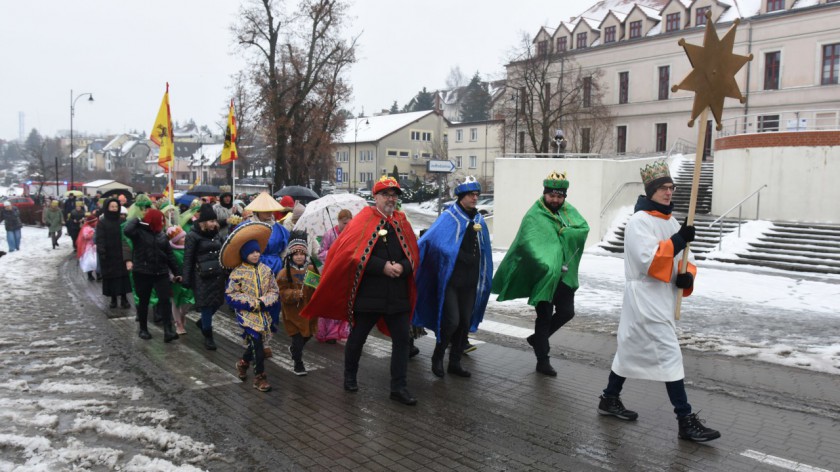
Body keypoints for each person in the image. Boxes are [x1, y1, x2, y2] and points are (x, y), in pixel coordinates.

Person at [597, 160, 720, 442]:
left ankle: (609, 398)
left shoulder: (671, 221)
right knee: (669, 354)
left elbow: (682, 261)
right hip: (644, 296)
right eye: (663, 188)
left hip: (660, 296)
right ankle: (685, 419)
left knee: (629, 349)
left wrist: (685, 276)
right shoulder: (639, 221)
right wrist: (678, 240)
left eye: (671, 187)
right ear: (651, 191)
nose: (668, 192)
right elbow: (647, 260)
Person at [301, 176, 420, 406]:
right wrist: (382, 266)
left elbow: (413, 254)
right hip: (369, 294)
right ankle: (350, 376)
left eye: (394, 195)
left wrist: (402, 267)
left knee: (403, 341)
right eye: (386, 194)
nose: (390, 199)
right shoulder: (364, 220)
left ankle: (399, 387)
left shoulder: (402, 221)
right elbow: (350, 255)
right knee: (358, 337)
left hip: (397, 293)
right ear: (375, 197)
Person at [492, 171, 589, 377]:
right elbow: (528, 242)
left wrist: (566, 233)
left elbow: (583, 228)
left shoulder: (569, 211)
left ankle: (537, 339)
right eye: (551, 195)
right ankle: (543, 360)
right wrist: (545, 262)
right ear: (545, 194)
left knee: (567, 312)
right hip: (543, 275)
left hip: (563, 276)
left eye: (559, 196)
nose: (555, 200)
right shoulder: (534, 214)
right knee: (544, 317)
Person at [413, 176, 493, 378]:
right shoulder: (449, 216)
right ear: (461, 196)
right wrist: (458, 254)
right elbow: (433, 242)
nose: (475, 198)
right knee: (452, 322)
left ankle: (454, 362)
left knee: (465, 323)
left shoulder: (479, 219)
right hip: (451, 281)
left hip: (470, 281)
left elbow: (485, 249)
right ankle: (437, 357)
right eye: (471, 195)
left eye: (476, 194)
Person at [222, 221, 279, 392]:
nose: (255, 255)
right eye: (251, 252)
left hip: (264, 313)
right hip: (246, 315)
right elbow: (231, 294)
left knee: (256, 344)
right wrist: (251, 302)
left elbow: (274, 291)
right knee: (257, 344)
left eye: (257, 251)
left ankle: (243, 363)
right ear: (244, 254)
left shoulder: (266, 270)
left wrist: (264, 301)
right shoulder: (237, 273)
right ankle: (259, 378)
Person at [123, 208, 182, 342]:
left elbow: (169, 255)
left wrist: (177, 272)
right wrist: (137, 219)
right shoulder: (138, 232)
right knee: (144, 301)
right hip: (142, 272)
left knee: (165, 301)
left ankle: (168, 331)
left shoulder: (161, 235)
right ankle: (143, 329)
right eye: (160, 219)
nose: (162, 222)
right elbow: (127, 230)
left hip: (160, 272)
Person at [245, 192, 290, 357]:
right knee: (256, 305)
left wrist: (284, 263)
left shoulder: (280, 228)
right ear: (257, 211)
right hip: (254, 269)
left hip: (275, 270)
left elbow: (285, 250)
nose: (269, 213)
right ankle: (255, 338)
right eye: (265, 210)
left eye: (271, 210)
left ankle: (266, 340)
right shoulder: (247, 227)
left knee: (273, 306)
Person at [182, 204, 227, 350]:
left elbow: (223, 253)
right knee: (207, 306)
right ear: (203, 222)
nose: (214, 223)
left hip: (218, 275)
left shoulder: (217, 235)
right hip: (202, 276)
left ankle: (202, 322)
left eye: (215, 221)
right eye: (211, 221)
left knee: (218, 302)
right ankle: (208, 335)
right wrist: (186, 279)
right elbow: (188, 258)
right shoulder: (192, 236)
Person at [277, 231, 318, 376]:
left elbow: (316, 287)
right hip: (293, 312)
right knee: (298, 338)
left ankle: (295, 350)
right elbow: (281, 293)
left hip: (308, 310)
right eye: (296, 253)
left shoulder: (311, 269)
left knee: (308, 334)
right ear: (290, 255)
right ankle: (298, 363)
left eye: (302, 253)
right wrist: (294, 294)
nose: (299, 256)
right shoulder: (284, 273)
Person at [315, 208, 353, 344]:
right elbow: (320, 253)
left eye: (349, 223)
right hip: (331, 274)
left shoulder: (353, 235)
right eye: (344, 223)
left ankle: (341, 331)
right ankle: (329, 333)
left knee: (343, 303)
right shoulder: (329, 235)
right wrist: (332, 253)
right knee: (330, 302)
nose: (346, 226)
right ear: (338, 221)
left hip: (346, 274)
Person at [96, 198, 132, 309]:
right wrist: (102, 251)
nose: (114, 209)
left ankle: (124, 298)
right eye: (112, 207)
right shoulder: (102, 222)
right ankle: (113, 299)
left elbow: (126, 238)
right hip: (108, 255)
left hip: (121, 254)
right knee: (111, 278)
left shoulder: (122, 221)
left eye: (116, 207)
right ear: (107, 207)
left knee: (122, 277)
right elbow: (100, 238)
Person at [167, 225, 195, 335]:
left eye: (184, 237)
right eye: (182, 238)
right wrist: (172, 277)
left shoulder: (189, 249)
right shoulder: (170, 251)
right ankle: (178, 324)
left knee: (188, 302)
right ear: (176, 240)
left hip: (188, 280)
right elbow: (168, 266)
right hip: (175, 281)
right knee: (176, 302)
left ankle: (182, 315)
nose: (184, 239)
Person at [77, 213, 99, 281]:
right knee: (90, 261)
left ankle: (98, 275)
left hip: (95, 246)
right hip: (89, 248)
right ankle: (90, 274)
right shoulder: (86, 228)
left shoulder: (96, 228)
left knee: (97, 261)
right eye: (95, 222)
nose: (96, 223)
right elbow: (85, 236)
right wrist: (93, 234)